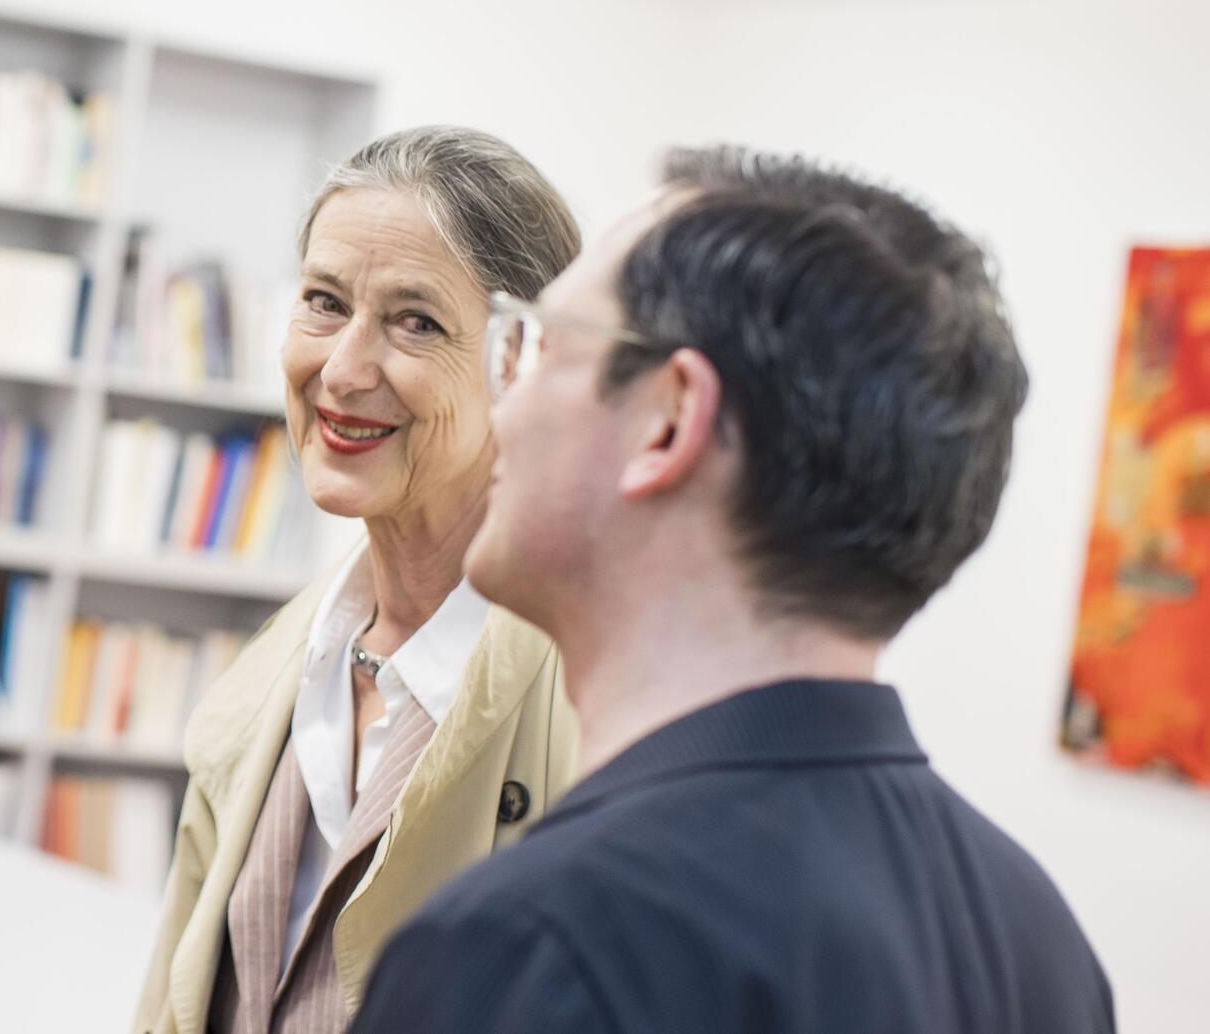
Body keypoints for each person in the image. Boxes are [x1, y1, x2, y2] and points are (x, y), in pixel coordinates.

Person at [351, 146, 1114, 1033]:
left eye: (543, 346)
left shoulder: (525, 945)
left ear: (670, 419)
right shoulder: (1036, 940)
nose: (503, 407)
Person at [132, 126, 584, 1034]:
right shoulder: (268, 676)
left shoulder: (593, 710)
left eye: (416, 321)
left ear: (524, 362)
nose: (342, 369)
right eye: (324, 302)